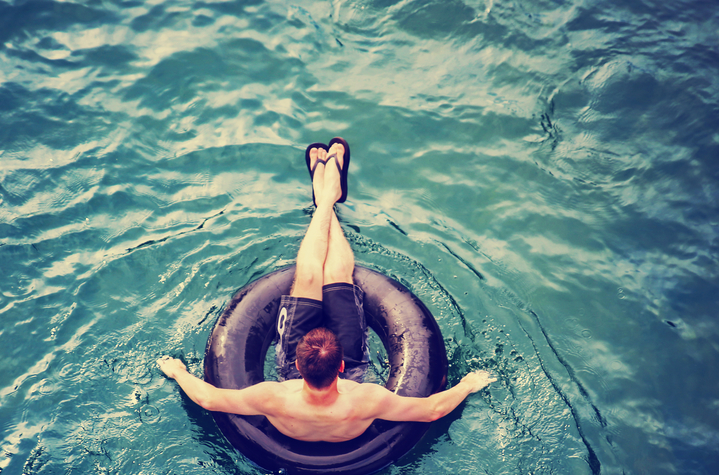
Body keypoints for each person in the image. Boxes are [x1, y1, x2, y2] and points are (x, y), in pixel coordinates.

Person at [157, 137, 495, 443]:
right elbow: (433, 410)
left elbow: (208, 398)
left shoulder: (274, 397)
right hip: (347, 400)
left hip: (294, 401)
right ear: (342, 368)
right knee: (337, 274)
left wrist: (177, 372)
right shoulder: (365, 400)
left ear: (298, 367)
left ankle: (325, 200)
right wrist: (468, 384)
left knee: (307, 276)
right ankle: (327, 199)